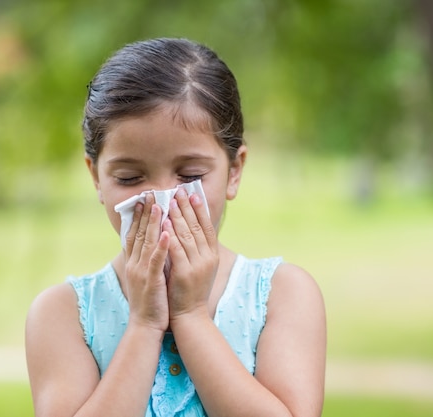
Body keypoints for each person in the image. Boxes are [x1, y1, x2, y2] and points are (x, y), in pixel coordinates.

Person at [25, 37, 326, 417]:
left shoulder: (281, 295)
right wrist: (144, 324)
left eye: (190, 174)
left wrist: (191, 317)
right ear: (97, 178)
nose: (160, 200)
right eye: (131, 177)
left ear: (234, 171)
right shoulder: (64, 313)